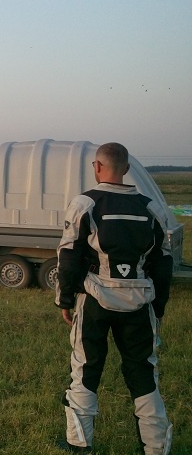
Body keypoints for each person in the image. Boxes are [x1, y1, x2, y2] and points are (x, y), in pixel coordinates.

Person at [55, 143, 173, 454]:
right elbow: (163, 263)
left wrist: (66, 299)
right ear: (126, 169)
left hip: (94, 301)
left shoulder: (84, 204)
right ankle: (156, 447)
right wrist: (158, 307)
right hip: (140, 304)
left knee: (86, 367)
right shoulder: (151, 208)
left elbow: (68, 256)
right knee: (143, 371)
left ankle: (79, 443)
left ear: (97, 167)